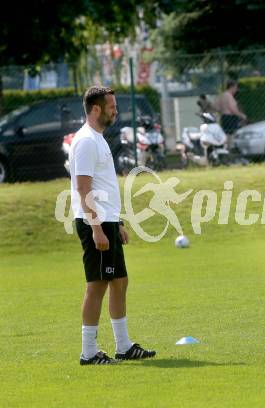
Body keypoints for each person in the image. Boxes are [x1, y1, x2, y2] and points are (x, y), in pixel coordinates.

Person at [70, 86, 156, 364]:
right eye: (111, 107)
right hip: (94, 222)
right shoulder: (85, 141)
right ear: (96, 109)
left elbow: (103, 187)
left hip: (106, 221)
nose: (115, 111)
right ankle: (88, 352)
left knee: (119, 281)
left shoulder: (98, 138)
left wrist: (115, 222)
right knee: (97, 285)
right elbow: (84, 189)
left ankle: (124, 346)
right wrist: (96, 228)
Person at [215, 79, 247, 146]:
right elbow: (233, 109)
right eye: (236, 87)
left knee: (226, 134)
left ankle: (227, 148)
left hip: (224, 117)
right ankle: (231, 148)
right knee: (232, 135)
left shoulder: (222, 95)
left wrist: (223, 110)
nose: (236, 89)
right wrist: (242, 115)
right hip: (230, 118)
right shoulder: (229, 96)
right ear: (232, 87)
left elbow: (217, 107)